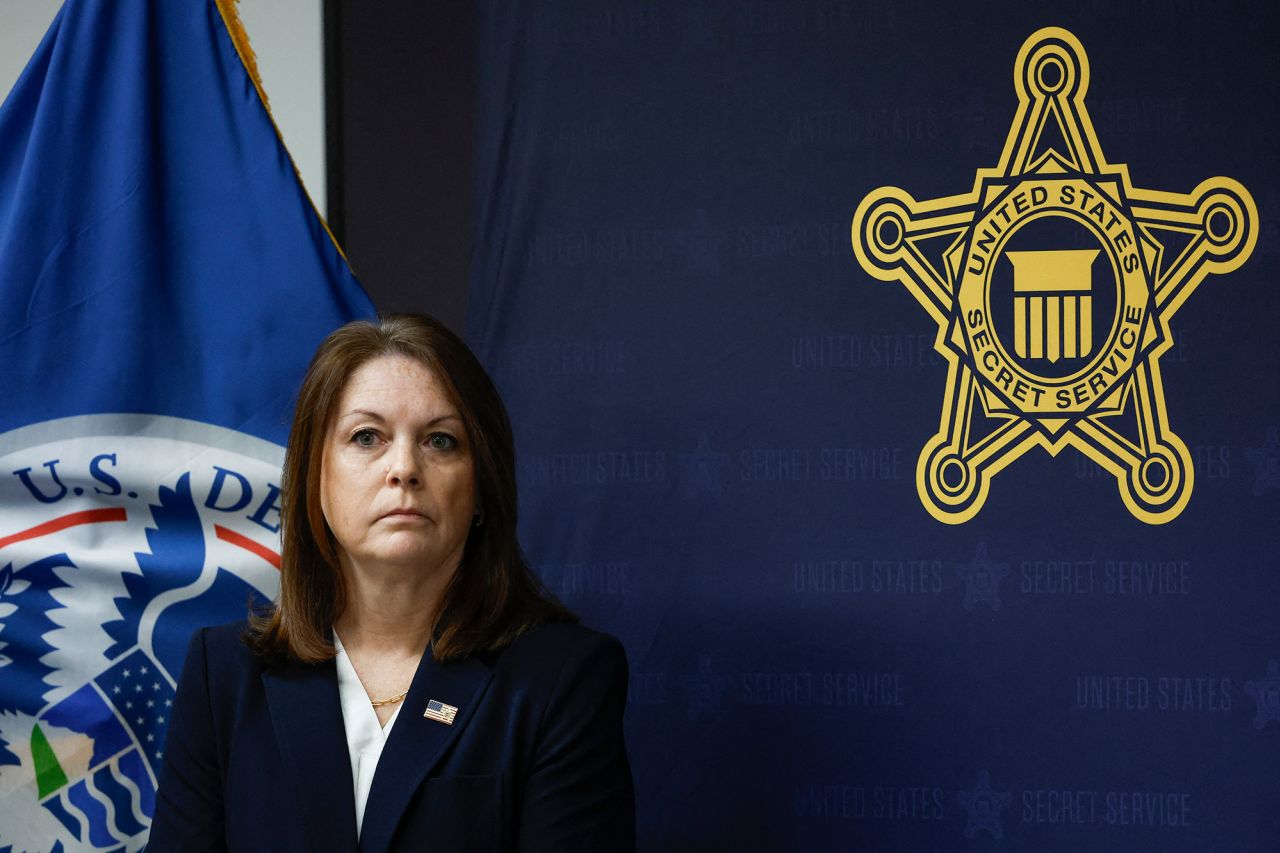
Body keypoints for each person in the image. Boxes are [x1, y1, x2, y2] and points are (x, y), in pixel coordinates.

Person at [148, 314, 635, 852]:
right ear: (316, 478)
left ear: (480, 489)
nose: (404, 467)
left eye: (441, 441)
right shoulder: (224, 676)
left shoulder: (562, 681)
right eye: (367, 437)